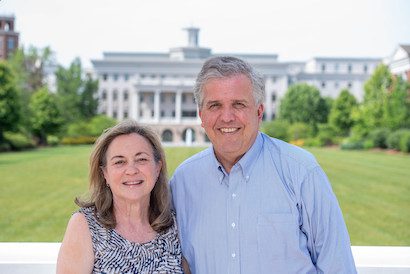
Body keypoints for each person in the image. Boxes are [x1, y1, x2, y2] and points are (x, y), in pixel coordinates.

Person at [170, 56, 357, 273]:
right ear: (201, 116)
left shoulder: (301, 172)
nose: (227, 117)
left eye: (238, 104)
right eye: (215, 106)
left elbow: (337, 266)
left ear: (259, 112)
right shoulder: (183, 181)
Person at [57, 120, 188, 273]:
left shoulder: (174, 227)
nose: (131, 170)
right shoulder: (85, 225)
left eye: (141, 159)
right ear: (105, 173)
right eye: (119, 162)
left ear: (157, 168)